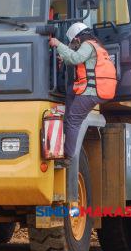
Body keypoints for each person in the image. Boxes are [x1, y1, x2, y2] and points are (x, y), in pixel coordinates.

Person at [48, 22, 117, 166]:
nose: (72, 45)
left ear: (77, 39)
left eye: (72, 43)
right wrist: (64, 57)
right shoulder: (97, 46)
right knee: (70, 107)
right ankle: (66, 147)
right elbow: (78, 60)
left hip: (91, 91)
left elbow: (75, 58)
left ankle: (67, 157)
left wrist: (58, 44)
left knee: (73, 120)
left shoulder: (87, 45)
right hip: (98, 91)